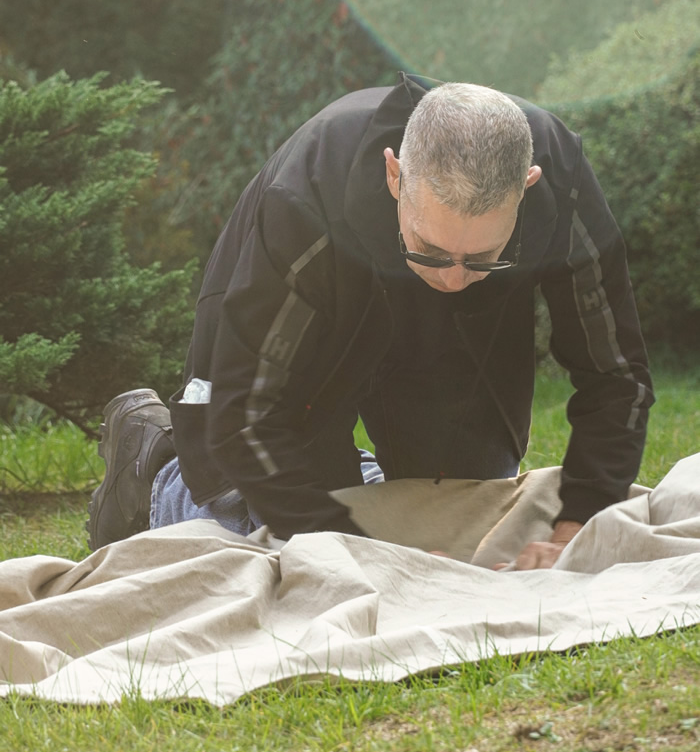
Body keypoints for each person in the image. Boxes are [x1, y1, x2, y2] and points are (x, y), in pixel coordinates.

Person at [88, 74, 654, 569]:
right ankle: (156, 466)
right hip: (313, 321)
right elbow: (246, 419)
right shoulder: (304, 196)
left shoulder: (562, 180)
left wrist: (579, 523)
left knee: (464, 510)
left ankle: (356, 480)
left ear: (526, 187)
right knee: (272, 535)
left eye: (483, 257)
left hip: (456, 335)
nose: (454, 279)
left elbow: (616, 376)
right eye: (432, 250)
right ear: (395, 176)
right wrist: (363, 552)